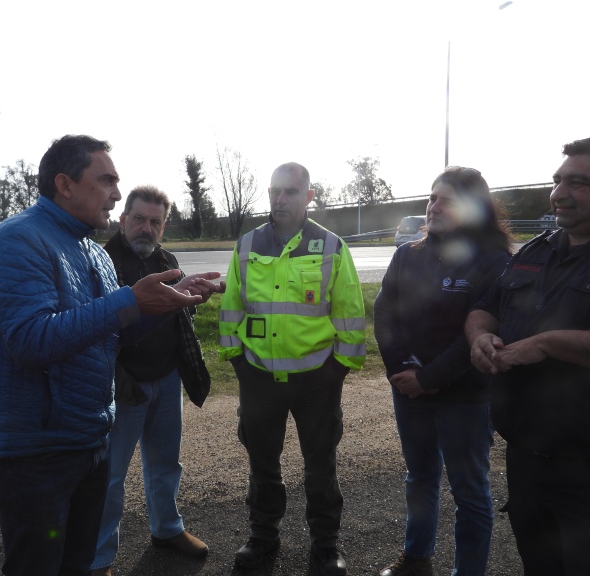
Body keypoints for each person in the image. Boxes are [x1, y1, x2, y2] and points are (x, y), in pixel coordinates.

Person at [0, 135, 222, 576]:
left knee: (78, 565)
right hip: (39, 453)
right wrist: (130, 300)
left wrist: (170, 301)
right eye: (106, 180)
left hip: (89, 439)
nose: (115, 193)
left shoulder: (91, 251)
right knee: (38, 566)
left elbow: (114, 334)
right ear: (65, 184)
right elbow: (30, 341)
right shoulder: (19, 239)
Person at [218, 162, 365, 576]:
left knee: (321, 467)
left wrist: (338, 370)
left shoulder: (331, 246)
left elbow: (350, 312)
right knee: (262, 465)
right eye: (274, 191)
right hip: (259, 377)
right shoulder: (247, 244)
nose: (279, 199)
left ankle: (326, 545)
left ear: (309, 197)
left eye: (290, 192)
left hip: (317, 381)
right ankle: (262, 537)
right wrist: (238, 362)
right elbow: (231, 307)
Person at [374, 167, 512, 576]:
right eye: (432, 198)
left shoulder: (494, 262)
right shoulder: (407, 254)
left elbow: (480, 331)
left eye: (446, 201)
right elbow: (385, 313)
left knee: (469, 491)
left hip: (465, 396)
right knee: (420, 476)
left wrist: (428, 379)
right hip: (408, 389)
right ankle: (416, 558)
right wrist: (402, 370)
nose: (433, 207)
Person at [465, 138, 590, 576]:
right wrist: (480, 337)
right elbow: (485, 307)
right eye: (558, 181)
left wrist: (547, 343)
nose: (559, 194)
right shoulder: (537, 250)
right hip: (526, 462)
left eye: (578, 183)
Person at [91, 185, 224, 576]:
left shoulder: (168, 260)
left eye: (155, 221)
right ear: (122, 220)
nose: (146, 228)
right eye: (138, 219)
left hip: (167, 380)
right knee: (111, 476)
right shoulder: (102, 261)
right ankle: (99, 559)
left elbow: (178, 318)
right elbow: (103, 328)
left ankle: (167, 529)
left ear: (163, 227)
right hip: (123, 386)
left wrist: (193, 297)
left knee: (166, 464)